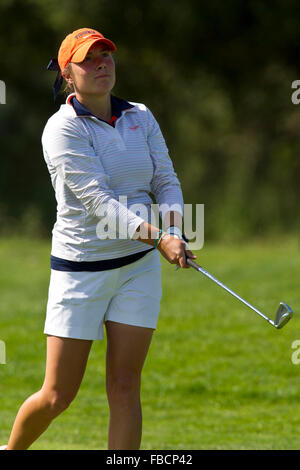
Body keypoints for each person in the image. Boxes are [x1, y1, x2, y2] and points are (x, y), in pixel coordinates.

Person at [3, 27, 196, 451]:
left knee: (126, 387)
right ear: (68, 74)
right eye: (89, 59)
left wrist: (176, 231)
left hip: (137, 268)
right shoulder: (61, 129)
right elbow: (99, 203)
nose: (101, 64)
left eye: (106, 55)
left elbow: (166, 179)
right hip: (81, 271)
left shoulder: (140, 116)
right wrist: (160, 237)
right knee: (58, 395)